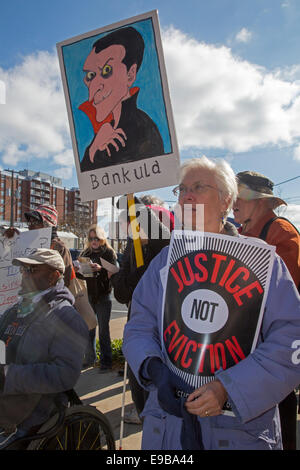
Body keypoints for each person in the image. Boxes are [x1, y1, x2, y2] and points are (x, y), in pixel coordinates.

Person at [122, 156, 300, 450]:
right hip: (169, 429)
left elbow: (291, 339)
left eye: (199, 186)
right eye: (182, 189)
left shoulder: (263, 262)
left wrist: (229, 389)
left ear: (226, 200)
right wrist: (152, 365)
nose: (187, 195)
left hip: (240, 432)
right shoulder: (163, 263)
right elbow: (139, 325)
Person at [233, 170, 300, 450]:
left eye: (239, 196)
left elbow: (286, 297)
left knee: (279, 414)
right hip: (246, 348)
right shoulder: (239, 234)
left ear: (260, 201)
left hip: (272, 350)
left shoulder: (281, 233)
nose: (232, 203)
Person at [0, 248, 89, 449]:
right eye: (23, 269)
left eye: (32, 270)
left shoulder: (66, 318)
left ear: (53, 276)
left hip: (30, 413)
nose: (24, 274)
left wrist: (8, 376)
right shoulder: (15, 310)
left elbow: (65, 374)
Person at [110, 196, 172, 424]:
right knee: (139, 384)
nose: (136, 226)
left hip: (166, 329)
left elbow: (160, 235)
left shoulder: (165, 246)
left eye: (143, 220)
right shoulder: (131, 247)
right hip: (138, 328)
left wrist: (131, 200)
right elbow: (121, 293)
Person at [79, 26, 164, 172]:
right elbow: (91, 184)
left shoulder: (143, 131)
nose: (95, 87)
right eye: (90, 76)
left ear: (130, 74)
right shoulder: (105, 132)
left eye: (106, 71)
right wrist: (92, 152)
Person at [76, 225, 117, 373]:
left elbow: (115, 271)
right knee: (89, 329)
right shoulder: (85, 253)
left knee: (104, 331)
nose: (94, 241)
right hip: (89, 295)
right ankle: (89, 359)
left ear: (102, 239)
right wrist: (78, 270)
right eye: (91, 238)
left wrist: (101, 269)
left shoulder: (109, 253)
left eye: (97, 238)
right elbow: (82, 276)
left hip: (103, 295)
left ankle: (106, 361)